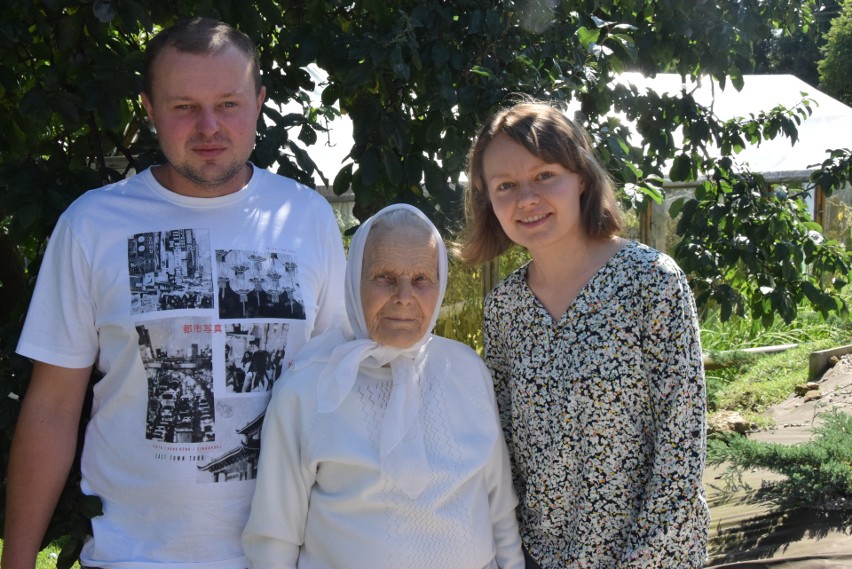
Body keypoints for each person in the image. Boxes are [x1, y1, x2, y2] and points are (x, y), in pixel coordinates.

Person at [2, 17, 346, 569]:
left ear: (258, 102)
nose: (209, 126)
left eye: (229, 103)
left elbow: (341, 393)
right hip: (133, 556)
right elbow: (50, 409)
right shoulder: (93, 225)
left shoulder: (306, 218)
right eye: (184, 106)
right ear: (149, 108)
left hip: (288, 556)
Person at [459, 101, 710, 568]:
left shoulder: (650, 281)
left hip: (650, 557)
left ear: (582, 178)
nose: (526, 198)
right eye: (506, 186)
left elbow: (682, 442)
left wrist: (644, 559)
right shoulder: (504, 309)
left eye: (545, 175)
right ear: (488, 200)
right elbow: (503, 452)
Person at [242, 204, 525, 569]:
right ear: (354, 282)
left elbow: (499, 508)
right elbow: (273, 540)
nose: (404, 296)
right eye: (384, 278)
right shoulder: (308, 388)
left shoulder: (466, 370)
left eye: (422, 279)